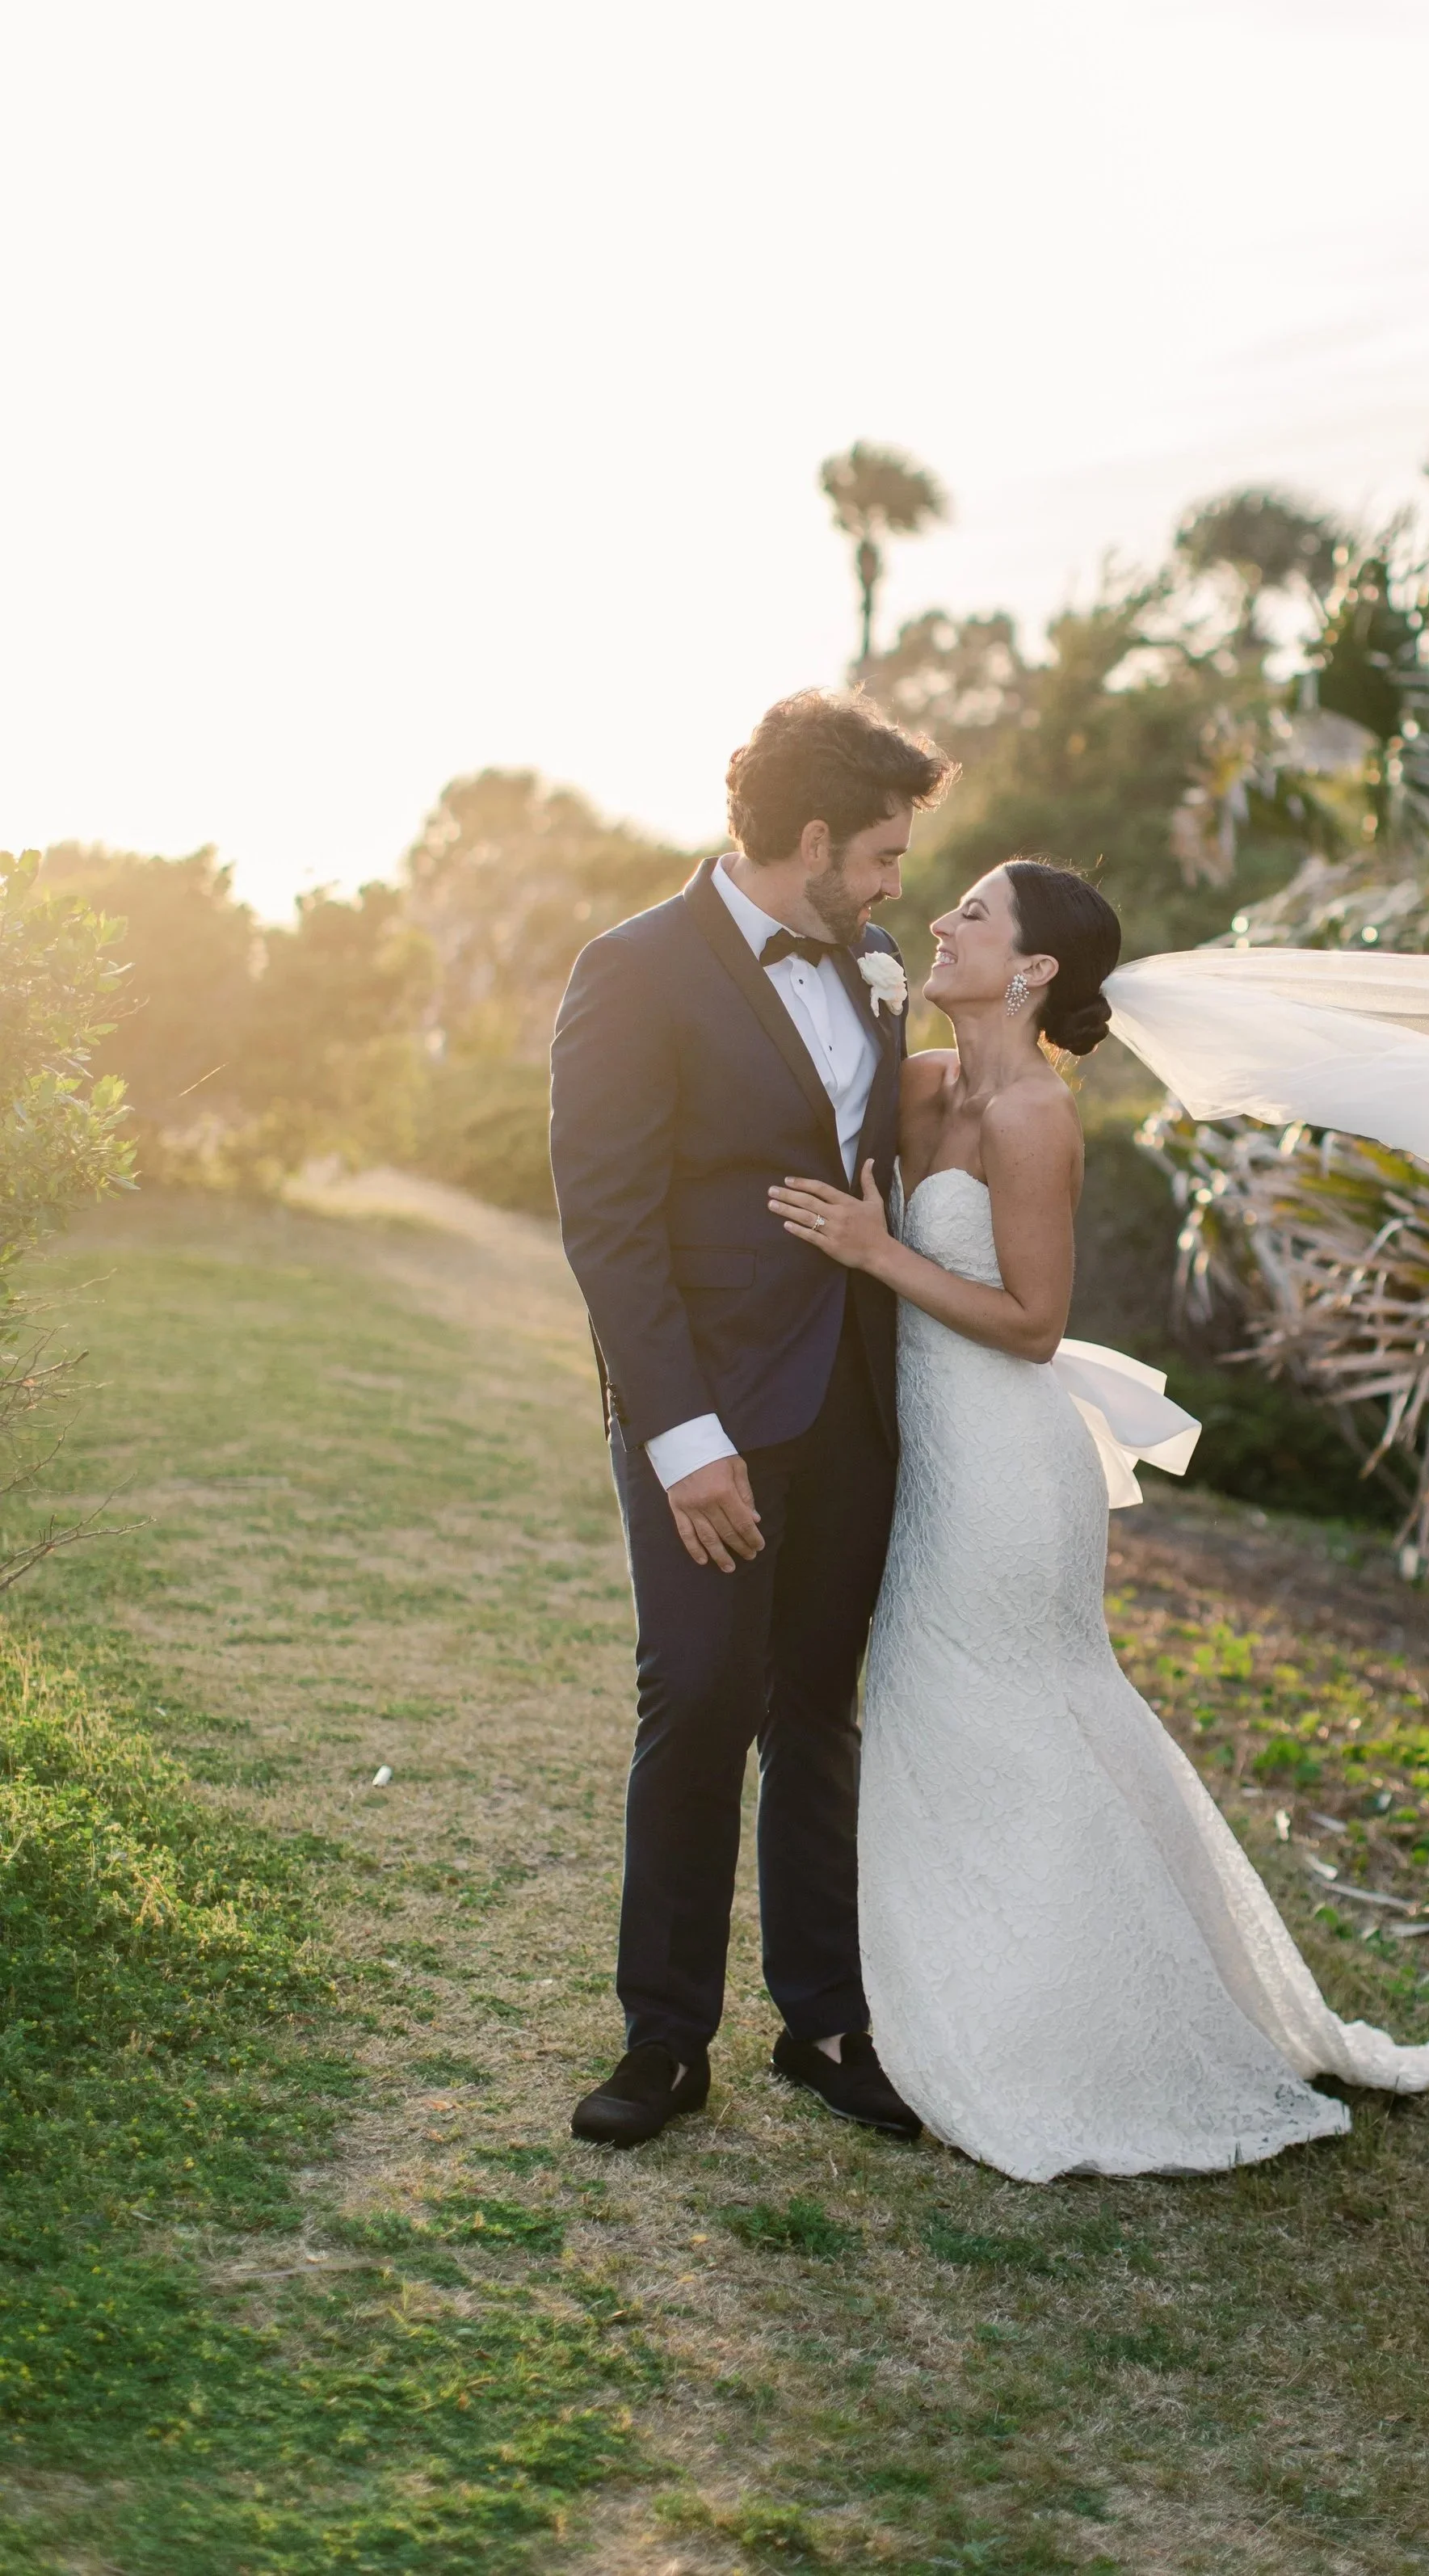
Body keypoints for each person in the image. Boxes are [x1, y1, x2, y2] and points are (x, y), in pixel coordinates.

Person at [767, 859, 1429, 2181]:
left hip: (1000, 1466)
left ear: (1036, 968)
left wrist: (879, 1253)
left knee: (1005, 1722)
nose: (942, 920)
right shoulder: (917, 1081)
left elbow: (1035, 1326)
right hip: (912, 1449)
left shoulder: (1041, 1113)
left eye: (976, 914)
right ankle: (943, 1993)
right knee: (948, 1728)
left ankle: (1062, 2037)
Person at [549, 689, 951, 2149]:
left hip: (851, 1392)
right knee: (703, 1695)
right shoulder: (633, 969)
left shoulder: (872, 966)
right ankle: (664, 2042)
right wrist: (680, 1438)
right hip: (707, 1411)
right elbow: (607, 1226)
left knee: (816, 1712)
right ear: (817, 836)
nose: (899, 886)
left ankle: (825, 2022)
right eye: (889, 855)